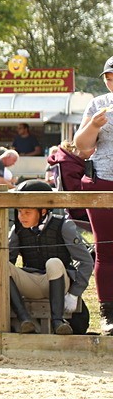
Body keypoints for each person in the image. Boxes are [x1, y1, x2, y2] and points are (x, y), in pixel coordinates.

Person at [6, 179, 93, 335]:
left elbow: (86, 261)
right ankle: (24, 318)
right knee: (1, 265)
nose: (21, 217)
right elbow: (9, 260)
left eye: (27, 212)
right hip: (31, 282)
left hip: (58, 281)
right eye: (19, 211)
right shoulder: (17, 228)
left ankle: (58, 321)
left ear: (43, 211)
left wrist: (74, 293)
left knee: (53, 262)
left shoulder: (64, 226)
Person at [75, 55, 113, 334]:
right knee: (105, 248)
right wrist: (94, 126)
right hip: (102, 181)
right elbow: (82, 146)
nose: (111, 83)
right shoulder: (98, 104)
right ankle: (108, 312)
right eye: (108, 78)